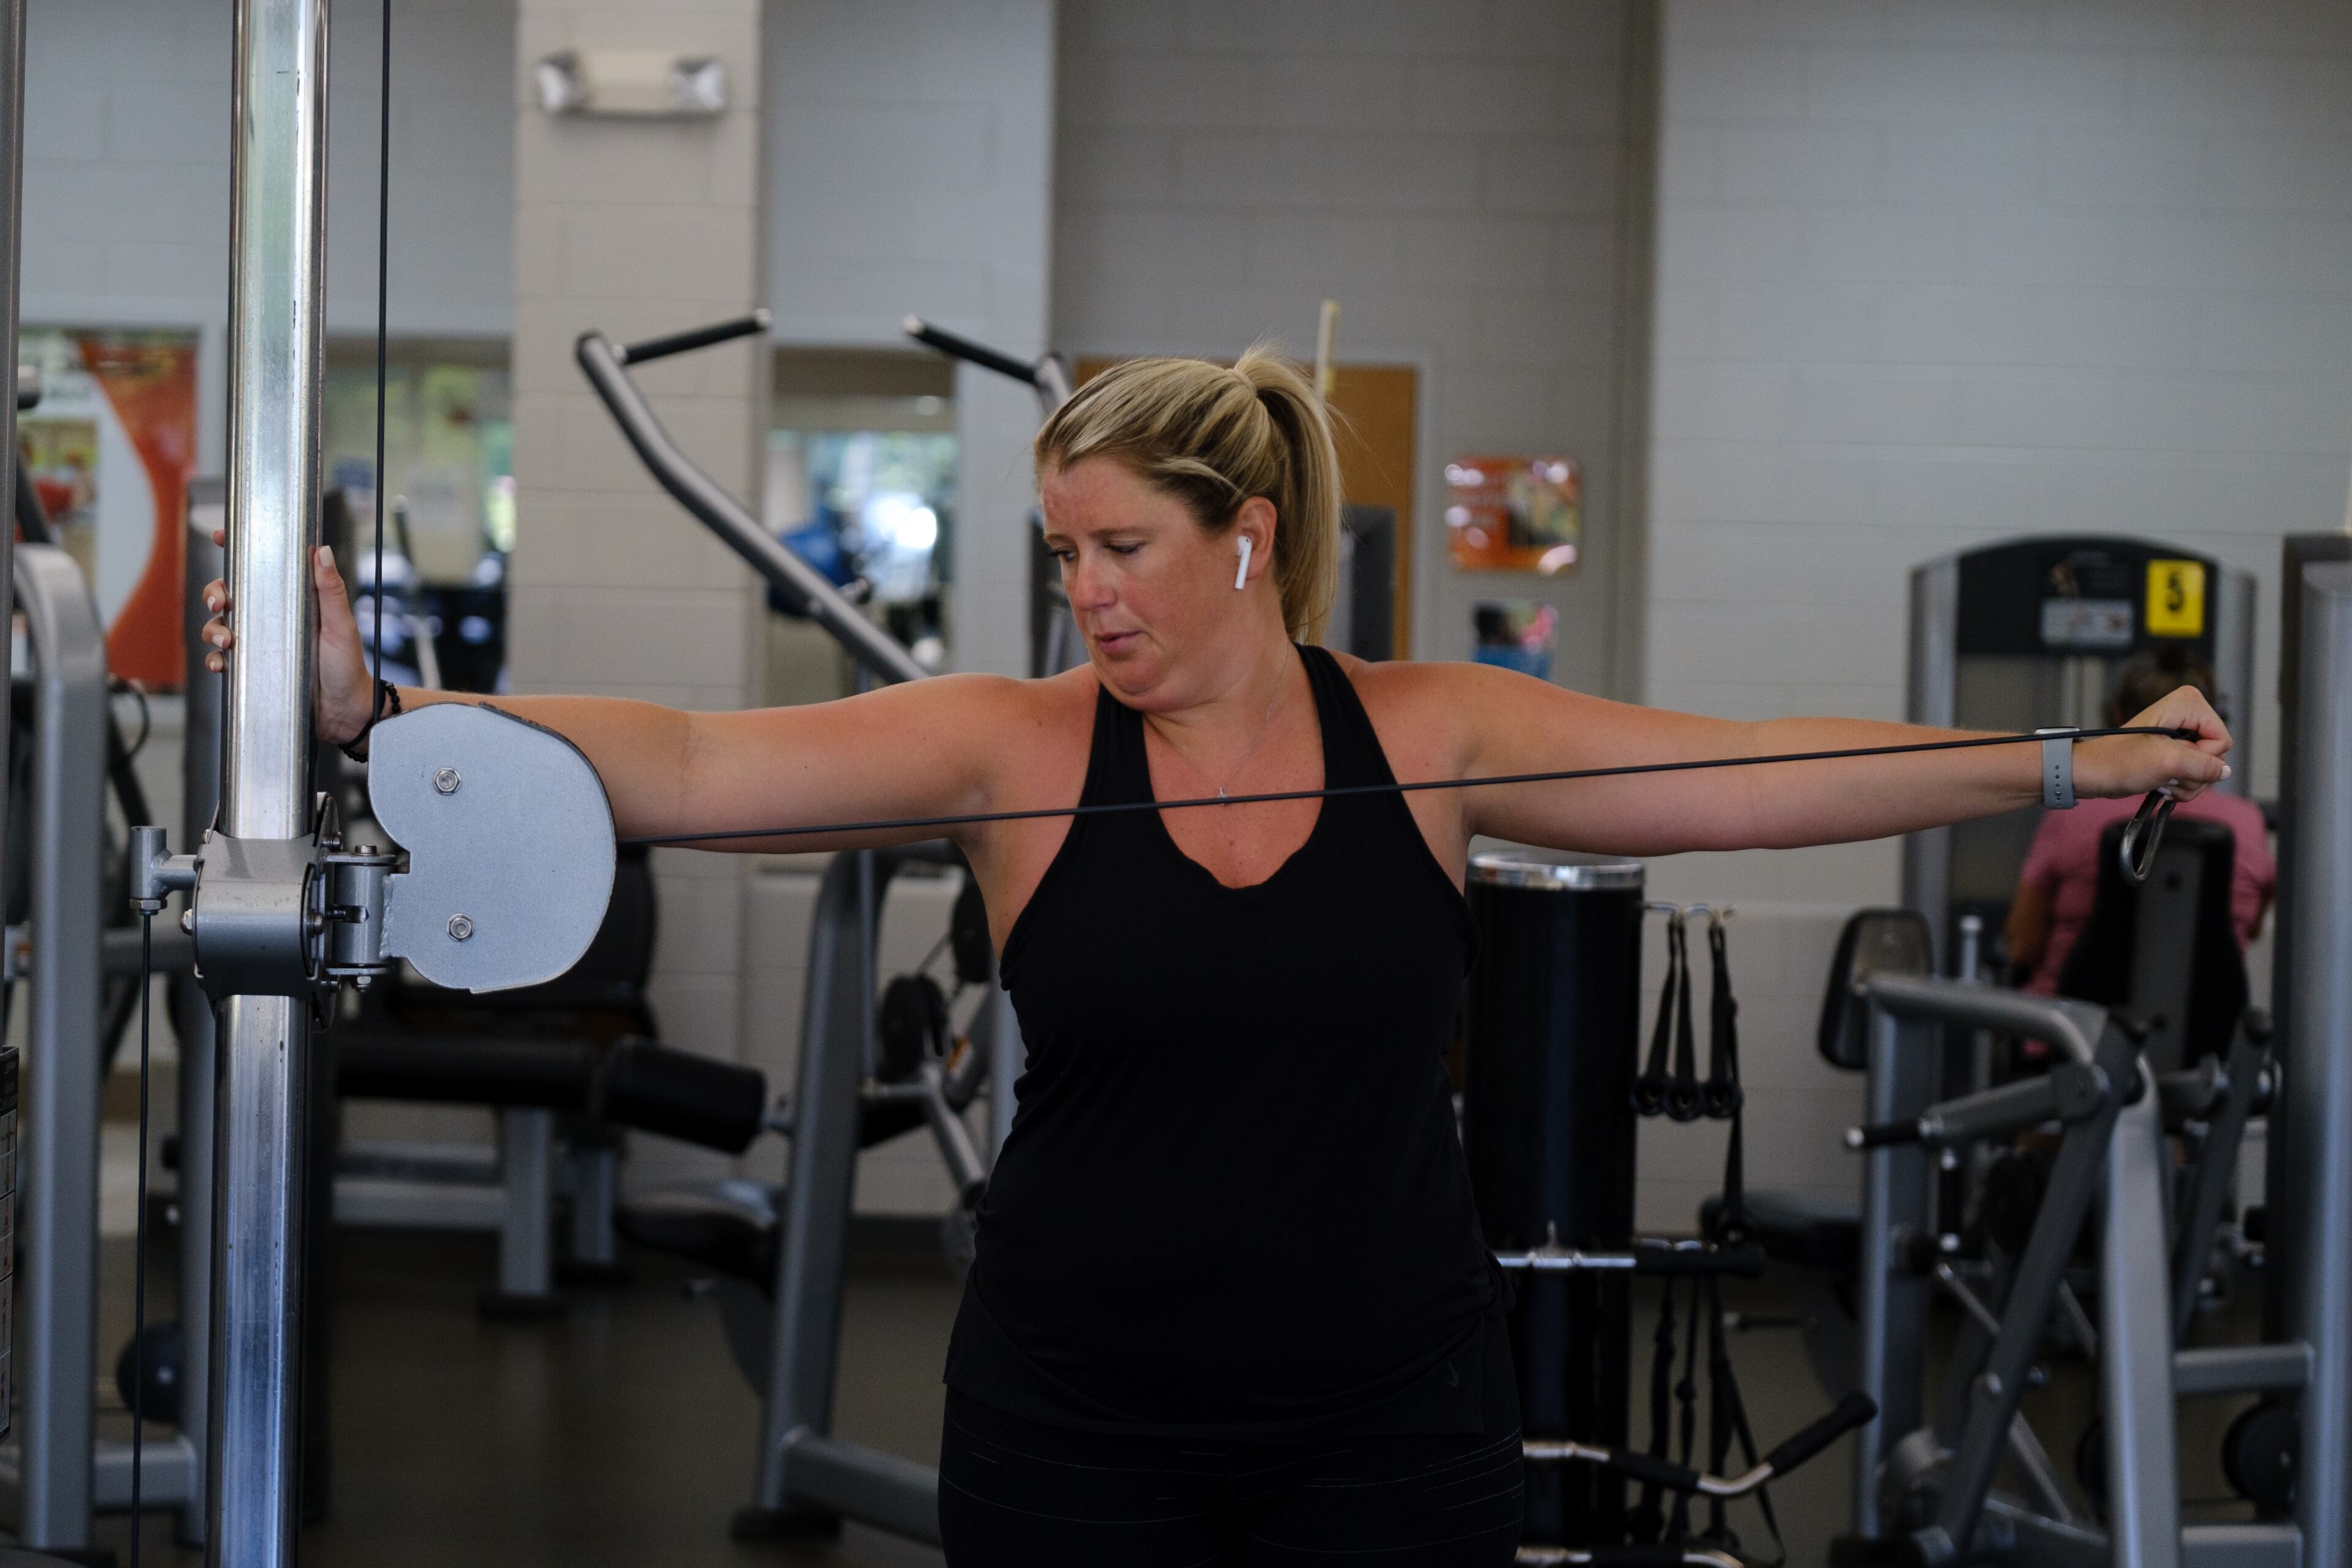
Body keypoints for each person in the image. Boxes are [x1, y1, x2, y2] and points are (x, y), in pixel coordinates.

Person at [203, 349, 2228, 1566]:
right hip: (1074, 1431)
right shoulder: (1008, 747)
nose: (1082, 591)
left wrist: (2083, 752)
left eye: (1121, 549)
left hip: (1389, 1426)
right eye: (1060, 553)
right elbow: (693, 762)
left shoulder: (1427, 734)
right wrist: (387, 715)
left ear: (1245, 536)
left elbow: (1752, 772)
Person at [2007, 650, 2274, 997]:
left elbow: (2022, 946)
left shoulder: (2070, 815)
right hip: (2207, 1045)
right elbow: (2249, 929)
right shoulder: (2247, 825)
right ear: (2211, 725)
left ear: (2120, 720)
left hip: (2070, 1039)